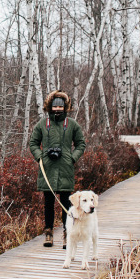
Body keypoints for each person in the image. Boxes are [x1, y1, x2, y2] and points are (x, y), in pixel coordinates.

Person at [29, 90, 86, 247]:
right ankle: (48, 233)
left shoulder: (72, 125)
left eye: (61, 107)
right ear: (50, 107)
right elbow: (33, 143)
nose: (58, 109)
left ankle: (68, 234)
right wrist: (40, 157)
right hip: (47, 169)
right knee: (48, 203)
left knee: (66, 204)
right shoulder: (42, 124)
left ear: (65, 107)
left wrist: (71, 158)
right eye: (55, 106)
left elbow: (81, 144)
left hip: (65, 168)